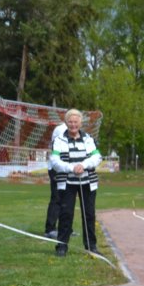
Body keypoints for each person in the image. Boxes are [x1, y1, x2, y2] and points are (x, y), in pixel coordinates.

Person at [50, 109, 102, 256]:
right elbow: (55, 161)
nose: (73, 125)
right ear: (66, 123)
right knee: (66, 214)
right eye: (70, 122)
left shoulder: (88, 139)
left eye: (76, 122)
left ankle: (91, 246)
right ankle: (62, 246)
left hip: (88, 182)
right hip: (67, 183)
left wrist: (83, 165)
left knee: (89, 214)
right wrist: (71, 168)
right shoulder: (59, 140)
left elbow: (97, 157)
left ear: (80, 123)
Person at [44, 120, 68, 239]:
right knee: (57, 198)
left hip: (67, 168)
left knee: (67, 199)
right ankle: (50, 229)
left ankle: (65, 229)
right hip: (57, 168)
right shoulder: (61, 129)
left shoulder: (73, 131)